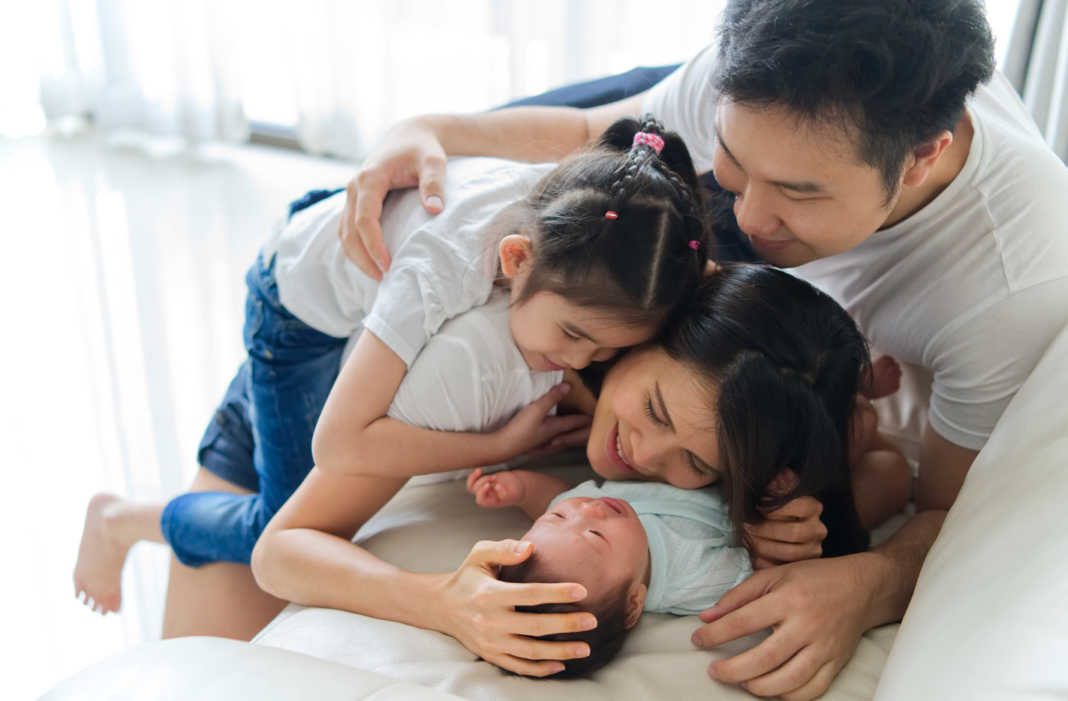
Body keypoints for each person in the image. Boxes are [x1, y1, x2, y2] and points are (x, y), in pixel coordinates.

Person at [334, 1, 1068, 696]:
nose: (746, 216)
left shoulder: (1008, 292)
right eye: (734, 162)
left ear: (921, 158)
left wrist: (867, 583)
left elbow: (940, 506)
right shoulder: (757, 81)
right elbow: (593, 131)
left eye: (798, 192)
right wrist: (427, 126)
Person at [72, 115, 714, 636]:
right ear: (516, 259)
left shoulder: (602, 222)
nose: (578, 365)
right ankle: (123, 520)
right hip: (293, 305)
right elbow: (337, 444)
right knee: (273, 517)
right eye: (572, 337)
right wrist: (496, 444)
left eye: (604, 353)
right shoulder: (438, 271)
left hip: (372, 243)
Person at [252, 264, 905, 677]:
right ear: (655, 328)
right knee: (245, 528)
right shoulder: (482, 369)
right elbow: (279, 550)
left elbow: (887, 466)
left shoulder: (747, 407)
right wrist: (443, 601)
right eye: (654, 409)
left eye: (696, 462)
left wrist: (782, 523)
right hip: (311, 346)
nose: (645, 457)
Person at [470, 469, 754, 678]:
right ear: (633, 603)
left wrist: (524, 490)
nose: (588, 508)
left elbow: (559, 496)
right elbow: (760, 565)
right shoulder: (692, 576)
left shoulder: (585, 514)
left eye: (557, 516)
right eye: (596, 534)